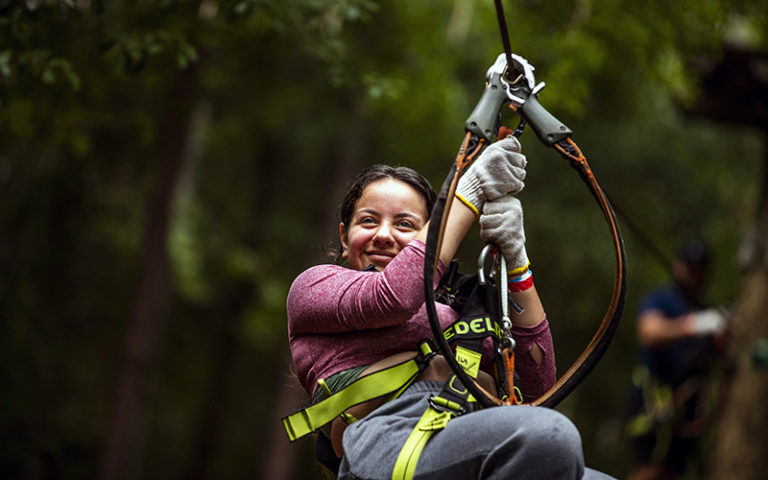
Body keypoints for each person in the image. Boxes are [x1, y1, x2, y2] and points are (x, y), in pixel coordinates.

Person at [286, 136, 614, 479]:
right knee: (549, 435)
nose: (383, 234)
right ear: (344, 235)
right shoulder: (316, 287)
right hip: (386, 441)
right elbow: (395, 296)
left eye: (404, 225)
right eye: (368, 221)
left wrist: (516, 261)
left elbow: (536, 391)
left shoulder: (465, 310)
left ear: (428, 233)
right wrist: (469, 191)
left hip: (474, 435)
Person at [625, 239, 728, 480]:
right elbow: (649, 332)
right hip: (652, 403)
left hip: (687, 412)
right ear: (678, 266)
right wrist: (693, 325)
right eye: (689, 266)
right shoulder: (661, 299)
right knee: (648, 470)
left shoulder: (705, 310)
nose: (694, 274)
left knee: (672, 472)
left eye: (699, 268)